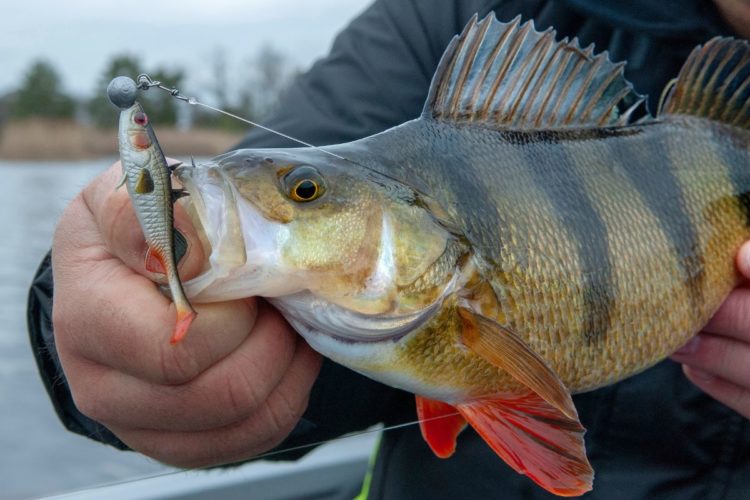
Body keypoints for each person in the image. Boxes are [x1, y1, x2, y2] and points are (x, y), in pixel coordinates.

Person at [28, 0, 750, 498]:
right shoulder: (440, 17)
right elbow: (127, 288)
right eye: (306, 192)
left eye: (304, 192)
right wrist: (98, 314)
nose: (286, 203)